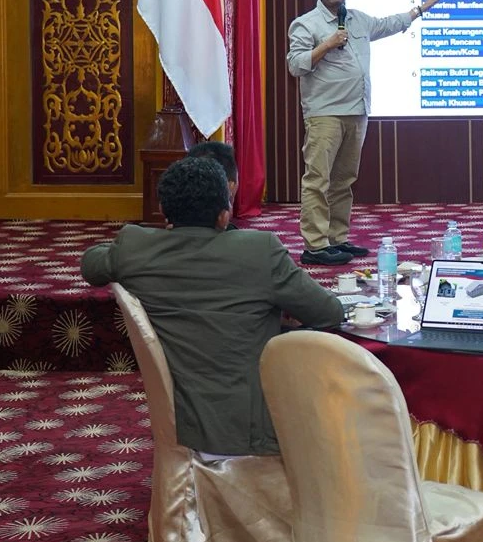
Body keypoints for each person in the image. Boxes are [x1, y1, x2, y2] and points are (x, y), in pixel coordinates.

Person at [81, 156, 343, 456]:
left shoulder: (134, 246)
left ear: (163, 210)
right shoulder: (260, 250)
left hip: (181, 425)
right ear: (224, 215)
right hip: (254, 431)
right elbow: (329, 313)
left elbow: (91, 263)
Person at [286, 0, 441, 266]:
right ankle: (315, 245)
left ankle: (337, 238)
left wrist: (422, 8)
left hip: (357, 111)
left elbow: (389, 24)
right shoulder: (305, 24)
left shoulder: (358, 19)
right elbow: (296, 65)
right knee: (318, 179)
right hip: (325, 113)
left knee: (344, 180)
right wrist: (327, 44)